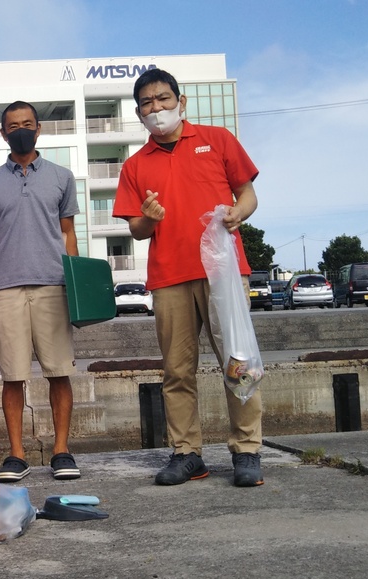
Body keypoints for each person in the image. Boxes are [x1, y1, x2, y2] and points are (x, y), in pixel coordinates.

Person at [113, 68, 264, 487]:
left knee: (238, 362)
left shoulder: (217, 140)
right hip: (169, 277)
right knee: (177, 371)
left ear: (181, 102)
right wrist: (149, 217)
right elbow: (136, 229)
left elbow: (247, 192)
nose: (156, 108)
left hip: (224, 271)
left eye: (163, 99)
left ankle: (247, 449)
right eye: (146, 103)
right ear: (139, 113)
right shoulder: (134, 165)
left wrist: (240, 212)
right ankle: (186, 452)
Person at [0, 101, 81, 483]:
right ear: (3, 133)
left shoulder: (62, 176)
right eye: (13, 125)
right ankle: (16, 454)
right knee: (12, 375)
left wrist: (75, 282)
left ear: (39, 129)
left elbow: (68, 233)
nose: (21, 129)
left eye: (28, 123)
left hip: (53, 283)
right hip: (7, 286)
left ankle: (61, 451)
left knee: (59, 372)